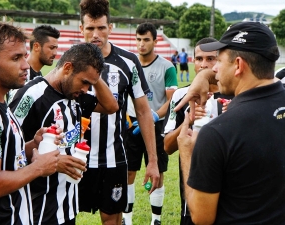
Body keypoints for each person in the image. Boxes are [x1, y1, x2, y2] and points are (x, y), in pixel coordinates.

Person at [177, 22, 285, 224]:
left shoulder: (218, 133)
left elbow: (201, 217)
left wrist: (186, 152)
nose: (214, 68)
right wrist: (203, 76)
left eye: (218, 60)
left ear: (238, 65)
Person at [9, 43, 118, 225]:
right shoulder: (31, 96)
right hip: (38, 209)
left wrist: (94, 76)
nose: (86, 89)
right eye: (84, 82)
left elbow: (111, 106)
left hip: (66, 207)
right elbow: (7, 151)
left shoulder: (76, 95)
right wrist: (52, 162)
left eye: (90, 84)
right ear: (67, 67)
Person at [0, 20, 60, 225]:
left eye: (24, 56)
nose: (26, 65)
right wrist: (38, 168)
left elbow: (4, 157)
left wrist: (31, 146)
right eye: (16, 58)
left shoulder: (1, 100)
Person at [77, 1, 160, 225]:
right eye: (90, 28)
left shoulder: (129, 62)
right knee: (64, 217)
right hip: (74, 158)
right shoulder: (70, 61)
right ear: (80, 29)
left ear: (110, 28)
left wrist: (152, 161)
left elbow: (143, 111)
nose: (96, 34)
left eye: (101, 28)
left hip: (113, 158)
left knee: (111, 219)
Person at [162, 37, 233, 225]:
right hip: (193, 191)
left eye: (210, 59)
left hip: (230, 195)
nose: (204, 64)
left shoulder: (235, 95)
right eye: (199, 59)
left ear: (219, 62)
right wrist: (187, 121)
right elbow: (167, 146)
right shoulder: (180, 95)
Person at [123, 22, 178, 225]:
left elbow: (171, 100)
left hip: (157, 124)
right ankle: (126, 219)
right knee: (129, 171)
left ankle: (156, 219)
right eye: (138, 39)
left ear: (155, 41)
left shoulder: (167, 67)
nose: (141, 44)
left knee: (158, 172)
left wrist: (154, 116)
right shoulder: (129, 65)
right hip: (132, 125)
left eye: (146, 39)